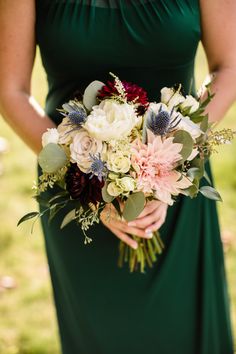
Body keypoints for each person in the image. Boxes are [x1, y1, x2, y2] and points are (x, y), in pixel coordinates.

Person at [0, 1, 235, 353]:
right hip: (75, 191)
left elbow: (228, 67)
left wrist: (168, 164)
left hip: (178, 186)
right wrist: (88, 184)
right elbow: (11, 91)